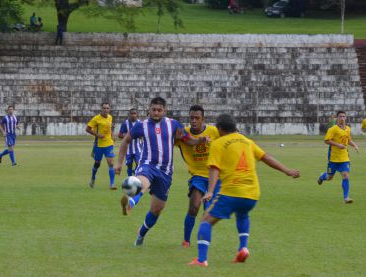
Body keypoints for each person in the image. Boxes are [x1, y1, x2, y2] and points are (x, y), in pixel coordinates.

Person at [189, 114, 300, 267]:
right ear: (235, 128)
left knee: (206, 221)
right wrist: (287, 171)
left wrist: (209, 191)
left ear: (219, 129)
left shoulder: (218, 143)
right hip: (252, 194)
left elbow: (214, 168)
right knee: (242, 214)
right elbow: (266, 157)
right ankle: (243, 248)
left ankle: (201, 260)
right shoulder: (247, 141)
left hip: (231, 192)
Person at [115, 97, 209, 246]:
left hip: (166, 173)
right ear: (149, 110)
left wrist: (199, 141)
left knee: (156, 209)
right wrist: (119, 163)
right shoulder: (141, 126)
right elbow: (125, 140)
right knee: (142, 182)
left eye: (159, 110)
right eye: (153, 109)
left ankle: (141, 234)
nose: (156, 112)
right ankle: (130, 203)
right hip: (148, 165)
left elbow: (187, 139)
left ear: (164, 111)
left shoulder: (173, 124)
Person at [175, 105, 220, 248]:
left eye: (197, 118)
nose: (193, 121)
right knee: (194, 206)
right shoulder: (184, 133)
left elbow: (231, 136)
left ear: (203, 119)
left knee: (208, 212)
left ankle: (203, 244)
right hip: (197, 176)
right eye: (191, 118)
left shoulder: (214, 131)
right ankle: (186, 240)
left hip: (215, 177)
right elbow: (167, 139)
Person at [317, 111, 359, 204]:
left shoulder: (348, 129)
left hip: (344, 157)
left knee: (345, 175)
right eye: (340, 116)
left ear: (346, 117)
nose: (342, 118)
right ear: (337, 118)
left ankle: (346, 197)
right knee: (329, 177)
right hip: (333, 158)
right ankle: (322, 176)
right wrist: (338, 145)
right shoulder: (333, 129)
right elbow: (326, 141)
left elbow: (348, 140)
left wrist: (354, 145)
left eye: (344, 116)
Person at [86, 102, 117, 190]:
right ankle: (93, 178)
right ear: (101, 109)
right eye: (104, 108)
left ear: (109, 109)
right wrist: (98, 135)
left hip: (108, 144)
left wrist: (112, 135)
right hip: (99, 145)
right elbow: (87, 129)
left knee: (111, 163)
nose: (106, 110)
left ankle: (112, 184)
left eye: (107, 108)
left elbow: (109, 128)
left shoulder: (110, 117)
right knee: (97, 164)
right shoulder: (96, 119)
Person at [118, 108, 142, 176]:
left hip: (138, 148)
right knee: (129, 164)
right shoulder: (125, 123)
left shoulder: (140, 123)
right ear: (129, 114)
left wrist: (141, 136)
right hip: (128, 149)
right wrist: (127, 137)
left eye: (135, 113)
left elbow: (143, 134)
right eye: (132, 113)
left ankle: (136, 173)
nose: (133, 115)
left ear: (137, 115)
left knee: (139, 163)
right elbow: (120, 135)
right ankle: (129, 178)